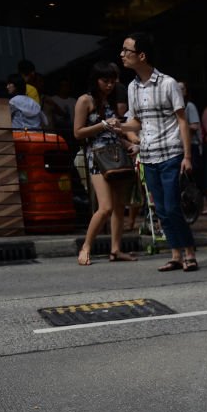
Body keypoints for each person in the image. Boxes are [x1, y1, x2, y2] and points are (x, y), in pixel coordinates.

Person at [117, 32, 199, 272]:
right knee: (161, 210)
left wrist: (187, 156)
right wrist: (119, 125)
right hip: (148, 155)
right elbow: (136, 122)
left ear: (141, 55)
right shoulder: (132, 87)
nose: (122, 55)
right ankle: (175, 254)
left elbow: (182, 121)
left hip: (171, 152)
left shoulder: (168, 83)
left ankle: (190, 252)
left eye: (126, 51)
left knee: (173, 207)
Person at [72, 61, 135, 266]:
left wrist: (128, 142)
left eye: (112, 81)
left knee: (119, 206)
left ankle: (116, 250)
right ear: (95, 80)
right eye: (105, 81)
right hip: (96, 157)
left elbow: (113, 134)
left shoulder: (110, 101)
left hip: (116, 153)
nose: (109, 85)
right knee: (106, 207)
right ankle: (86, 247)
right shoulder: (85, 100)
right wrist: (103, 124)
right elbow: (78, 132)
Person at [179, 81, 207, 215]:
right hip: (180, 147)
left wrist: (181, 126)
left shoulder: (189, 106)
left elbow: (195, 126)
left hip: (193, 146)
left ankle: (204, 204)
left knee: (196, 176)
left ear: (186, 91)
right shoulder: (176, 106)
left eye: (182, 88)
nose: (179, 91)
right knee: (184, 179)